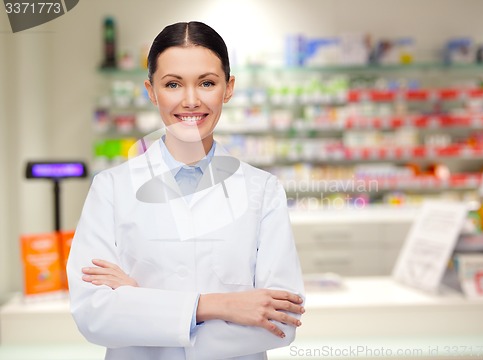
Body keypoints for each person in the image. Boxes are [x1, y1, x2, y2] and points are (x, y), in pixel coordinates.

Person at [67, 21, 305, 360]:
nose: (191, 100)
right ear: (151, 90)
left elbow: (282, 322)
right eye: (173, 84)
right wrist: (218, 305)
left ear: (228, 88)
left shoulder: (263, 191)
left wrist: (139, 304)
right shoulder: (111, 188)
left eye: (207, 83)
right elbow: (93, 315)